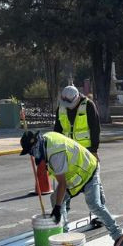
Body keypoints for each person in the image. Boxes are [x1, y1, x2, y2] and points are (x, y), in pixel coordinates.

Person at [20, 130, 123, 246]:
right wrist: (58, 204)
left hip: (88, 171)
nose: (32, 155)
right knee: (55, 198)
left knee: (94, 204)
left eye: (31, 151)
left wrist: (57, 208)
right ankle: (64, 238)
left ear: (36, 144)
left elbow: (62, 184)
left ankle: (119, 237)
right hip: (74, 176)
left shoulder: (55, 152)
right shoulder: (46, 141)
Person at [54, 85, 104, 227]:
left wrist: (94, 150)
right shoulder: (61, 107)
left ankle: (100, 214)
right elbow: (57, 130)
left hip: (86, 152)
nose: (68, 106)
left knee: (93, 181)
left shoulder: (88, 105)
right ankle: (63, 217)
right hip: (68, 152)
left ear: (77, 98)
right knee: (66, 182)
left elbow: (95, 129)